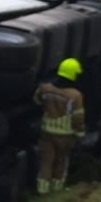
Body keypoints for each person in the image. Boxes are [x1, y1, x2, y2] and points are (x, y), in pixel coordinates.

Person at [33, 58, 86, 194]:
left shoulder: (45, 88)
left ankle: (42, 191)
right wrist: (80, 134)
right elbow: (78, 118)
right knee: (61, 162)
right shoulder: (75, 95)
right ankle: (57, 190)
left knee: (46, 161)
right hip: (65, 134)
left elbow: (37, 100)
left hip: (46, 131)